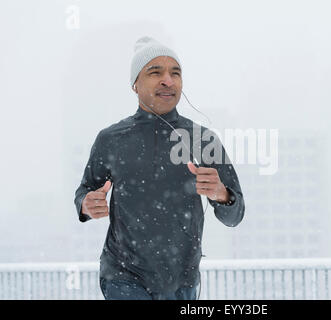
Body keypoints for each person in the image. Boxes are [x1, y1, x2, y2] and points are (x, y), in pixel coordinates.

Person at [74, 36, 245, 300]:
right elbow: (84, 191)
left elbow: (234, 216)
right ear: (135, 84)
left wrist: (222, 195)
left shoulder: (203, 139)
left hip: (182, 282)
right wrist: (86, 203)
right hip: (123, 278)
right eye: (155, 72)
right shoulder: (111, 139)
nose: (168, 80)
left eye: (175, 73)